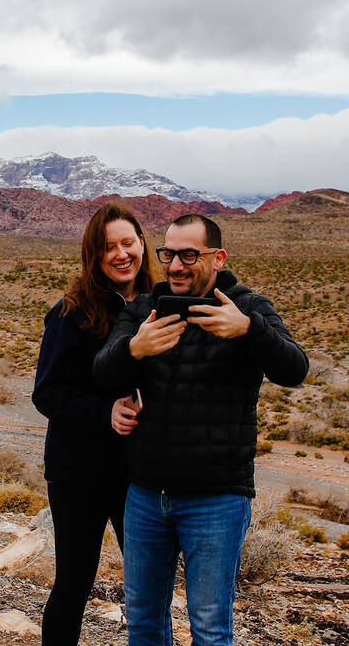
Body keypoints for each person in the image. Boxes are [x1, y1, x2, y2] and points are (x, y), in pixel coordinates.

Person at [94, 214, 308, 646]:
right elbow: (101, 371)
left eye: (189, 255)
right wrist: (134, 348)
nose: (175, 266)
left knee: (210, 630)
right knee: (144, 625)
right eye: (169, 254)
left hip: (217, 498)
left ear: (218, 258)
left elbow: (295, 368)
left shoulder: (246, 307)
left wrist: (249, 331)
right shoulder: (145, 308)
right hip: (146, 497)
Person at [33, 203, 156, 646]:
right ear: (93, 254)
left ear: (143, 243)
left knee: (149, 583)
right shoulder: (71, 312)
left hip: (141, 473)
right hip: (79, 473)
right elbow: (46, 392)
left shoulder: (160, 305)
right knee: (75, 581)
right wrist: (103, 412)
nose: (121, 254)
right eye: (109, 247)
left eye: (128, 243)